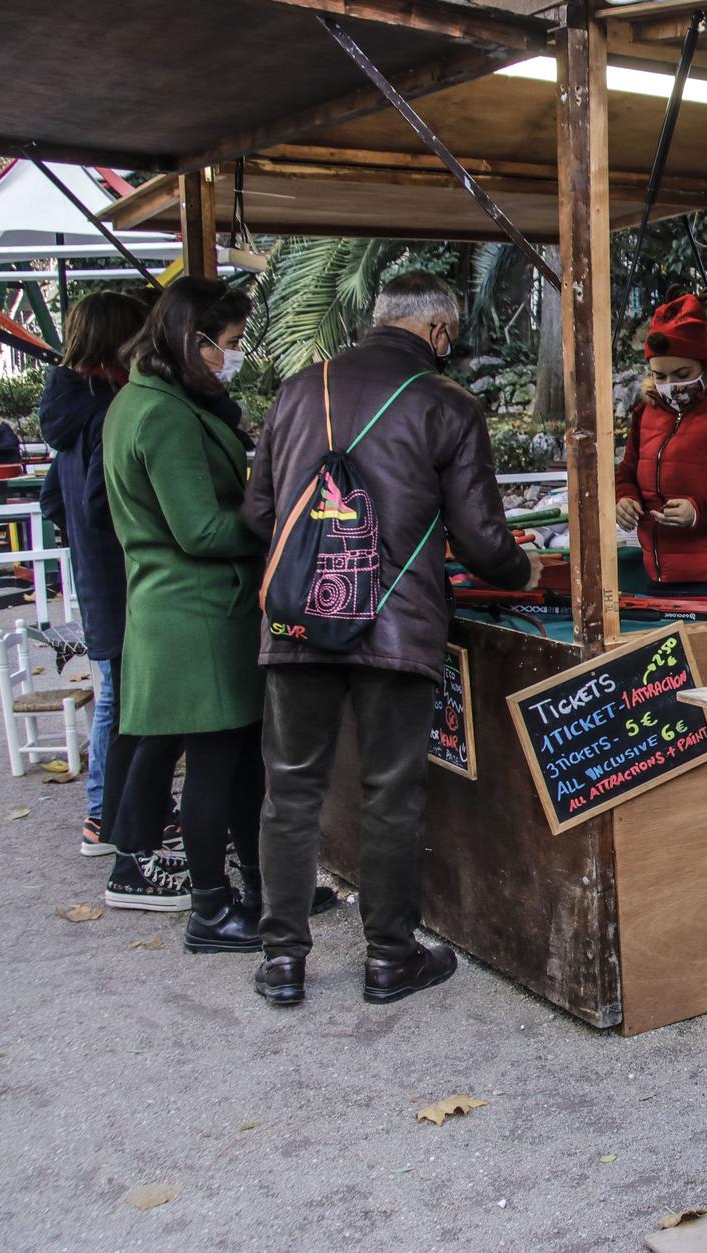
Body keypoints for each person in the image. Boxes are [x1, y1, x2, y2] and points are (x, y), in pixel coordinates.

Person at [246, 271, 538, 1008]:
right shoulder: (448, 403)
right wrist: (525, 566)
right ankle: (388, 957)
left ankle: (282, 960)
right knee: (391, 793)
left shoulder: (295, 391)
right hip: (397, 623)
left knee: (290, 790)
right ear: (439, 332)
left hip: (299, 620)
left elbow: (258, 513)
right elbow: (481, 541)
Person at [104, 277, 269, 948]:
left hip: (191, 608)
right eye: (228, 344)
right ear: (191, 340)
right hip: (193, 611)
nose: (233, 356)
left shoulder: (145, 397)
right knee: (213, 765)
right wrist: (274, 523)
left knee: (239, 760)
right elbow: (199, 529)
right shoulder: (162, 413)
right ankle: (210, 909)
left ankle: (259, 888)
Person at [37, 293, 145, 865]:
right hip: (122, 575)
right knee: (123, 697)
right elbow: (101, 503)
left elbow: (53, 499)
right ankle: (107, 813)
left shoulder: (72, 409)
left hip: (97, 574)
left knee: (115, 691)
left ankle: (106, 809)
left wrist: (83, 535)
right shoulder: (108, 410)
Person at [614, 294, 707, 592]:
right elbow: (627, 471)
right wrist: (624, 498)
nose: (671, 384)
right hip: (658, 574)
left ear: (705, 365)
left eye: (682, 374)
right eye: (660, 375)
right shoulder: (645, 412)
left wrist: (698, 511)